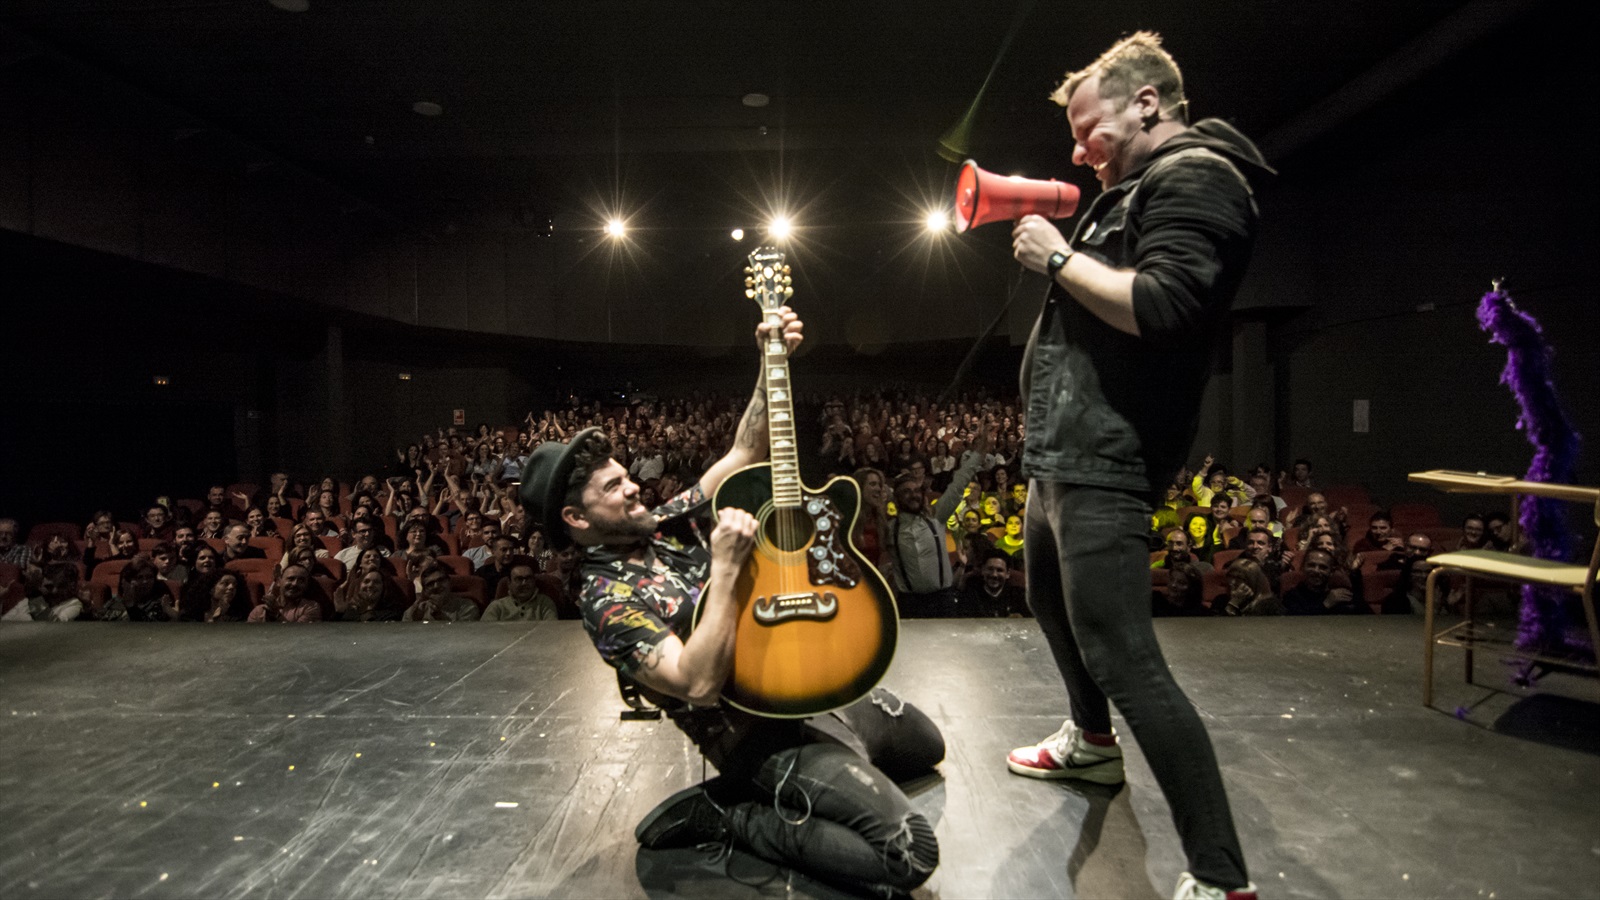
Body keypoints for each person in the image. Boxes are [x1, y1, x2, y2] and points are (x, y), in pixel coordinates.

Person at [516, 307, 944, 897]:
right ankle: (729, 814)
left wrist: (773, 359)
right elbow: (695, 683)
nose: (633, 484)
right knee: (907, 855)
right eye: (613, 487)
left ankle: (834, 771)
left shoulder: (662, 523)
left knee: (928, 746)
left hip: (814, 681)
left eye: (624, 474)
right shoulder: (606, 600)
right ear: (575, 518)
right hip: (759, 736)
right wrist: (724, 569)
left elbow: (744, 451)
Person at [1005, 31, 1267, 900]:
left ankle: (1222, 878)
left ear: (1147, 104)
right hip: (1063, 452)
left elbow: (1163, 307)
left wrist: (1058, 256)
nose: (1079, 152)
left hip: (1107, 457)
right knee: (1050, 602)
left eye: (1091, 130)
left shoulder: (1198, 176)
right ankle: (1091, 746)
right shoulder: (1136, 185)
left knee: (1125, 659)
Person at [2, 561, 86, 622]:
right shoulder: (38, 597)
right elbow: (5, 621)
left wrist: (37, 599)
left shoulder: (74, 604)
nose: (43, 588)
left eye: (49, 587)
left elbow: (55, 626)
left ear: (64, 587)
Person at [481, 559, 559, 621]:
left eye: (528, 579)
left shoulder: (545, 603)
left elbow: (551, 632)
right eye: (519, 579)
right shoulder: (497, 607)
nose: (524, 583)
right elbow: (486, 635)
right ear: (509, 583)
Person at [960, 550, 1029, 617]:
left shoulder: (1020, 596)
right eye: (990, 569)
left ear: (1007, 573)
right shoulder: (970, 597)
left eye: (999, 570)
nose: (994, 575)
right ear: (983, 570)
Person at [249, 563, 323, 622]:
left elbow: (299, 635)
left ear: (307, 585)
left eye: (301, 581)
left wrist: (276, 615)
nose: (295, 584)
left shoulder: (311, 608)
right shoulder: (259, 611)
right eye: (290, 579)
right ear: (279, 581)